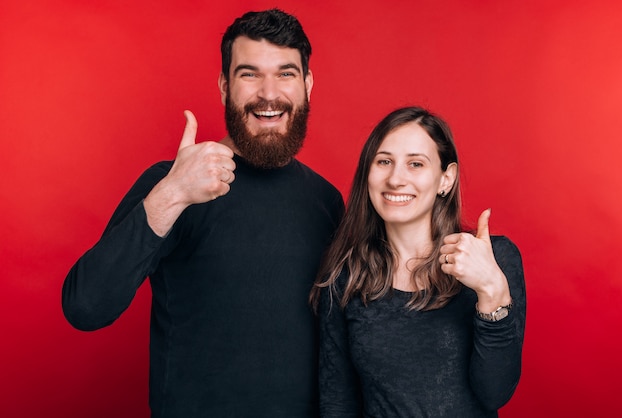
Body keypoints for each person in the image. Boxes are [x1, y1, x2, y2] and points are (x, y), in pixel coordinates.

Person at [62, 9, 344, 418]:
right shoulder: (174, 183)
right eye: (249, 74)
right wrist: (172, 194)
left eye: (285, 73)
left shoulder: (327, 200)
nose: (270, 93)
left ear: (307, 84)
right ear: (225, 86)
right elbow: (86, 307)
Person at [310, 106, 526, 417]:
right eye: (384, 161)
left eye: (415, 164)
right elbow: (337, 400)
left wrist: (492, 291)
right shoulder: (346, 274)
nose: (396, 179)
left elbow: (495, 393)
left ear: (445, 179)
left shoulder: (495, 257)